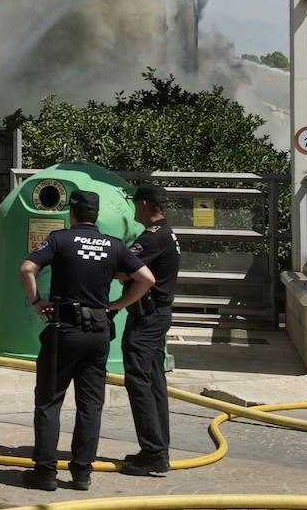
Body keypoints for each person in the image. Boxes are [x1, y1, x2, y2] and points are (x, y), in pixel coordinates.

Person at [19, 190, 156, 492]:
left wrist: (36, 301)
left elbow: (27, 268)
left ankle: (45, 472)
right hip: (98, 333)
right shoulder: (114, 246)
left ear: (74, 214)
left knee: (49, 401)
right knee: (90, 405)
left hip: (64, 330)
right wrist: (118, 305)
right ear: (95, 215)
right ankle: (82, 474)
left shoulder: (59, 239)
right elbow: (146, 278)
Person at [120, 184, 182, 476]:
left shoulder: (152, 238)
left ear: (144, 205)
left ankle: (154, 453)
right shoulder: (168, 233)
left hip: (147, 318)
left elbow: (124, 269)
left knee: (139, 381)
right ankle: (158, 449)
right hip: (157, 316)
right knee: (154, 381)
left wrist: (118, 302)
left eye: (136, 204)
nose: (134, 209)